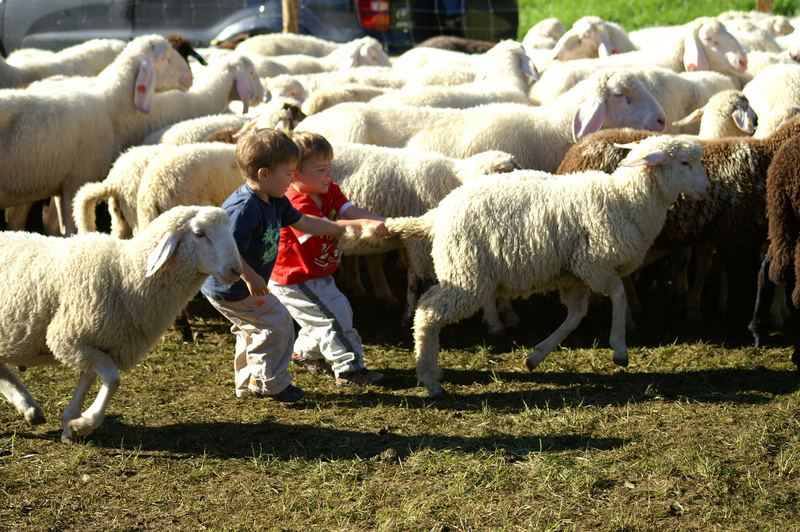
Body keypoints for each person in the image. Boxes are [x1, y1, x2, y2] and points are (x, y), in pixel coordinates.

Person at [201, 128, 384, 402]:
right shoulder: (243, 209)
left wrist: (337, 229)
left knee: (255, 329)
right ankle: (272, 384)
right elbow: (229, 251)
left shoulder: (275, 199)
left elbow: (304, 222)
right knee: (276, 324)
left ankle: (251, 380)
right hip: (230, 285)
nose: (291, 180)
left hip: (242, 283)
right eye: (288, 174)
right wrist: (250, 278)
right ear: (264, 174)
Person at [269, 131, 389, 387]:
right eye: (321, 169)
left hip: (316, 272)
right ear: (295, 173)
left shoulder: (327, 190)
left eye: (329, 168)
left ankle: (304, 353)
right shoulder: (294, 202)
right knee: (333, 316)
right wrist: (361, 224)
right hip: (294, 277)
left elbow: (349, 210)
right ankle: (349, 370)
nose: (328, 175)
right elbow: (321, 226)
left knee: (333, 312)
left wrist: (380, 221)